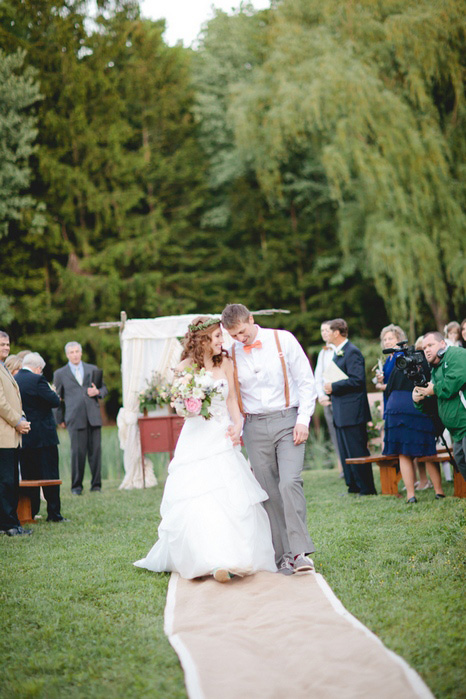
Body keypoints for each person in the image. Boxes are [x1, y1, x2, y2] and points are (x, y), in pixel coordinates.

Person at [134, 316, 276, 582]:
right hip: (197, 437)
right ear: (204, 340)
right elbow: (177, 406)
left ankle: (235, 557)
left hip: (222, 436)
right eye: (218, 337)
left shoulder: (227, 363)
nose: (223, 341)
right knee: (199, 496)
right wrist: (188, 405)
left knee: (230, 495)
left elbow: (232, 398)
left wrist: (238, 426)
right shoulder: (185, 367)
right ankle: (207, 558)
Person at [221, 303, 317, 576]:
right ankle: (283, 556)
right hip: (253, 427)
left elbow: (306, 381)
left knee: (289, 483)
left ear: (251, 320)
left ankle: (300, 552)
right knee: (269, 494)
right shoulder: (230, 353)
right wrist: (235, 430)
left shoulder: (283, 339)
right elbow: (229, 396)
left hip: (288, 422)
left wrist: (303, 420)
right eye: (234, 336)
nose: (240, 339)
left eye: (242, 332)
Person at [381, 332, 443, 503]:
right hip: (415, 404)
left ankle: (411, 495)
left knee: (404, 453)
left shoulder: (400, 362)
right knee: (428, 450)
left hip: (395, 407)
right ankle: (439, 491)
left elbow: (388, 389)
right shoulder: (426, 362)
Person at [323, 318, 377, 496]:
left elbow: (357, 380)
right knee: (346, 451)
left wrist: (334, 386)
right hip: (340, 410)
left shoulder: (352, 352)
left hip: (353, 411)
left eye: (329, 331)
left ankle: (367, 488)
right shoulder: (337, 352)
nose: (326, 335)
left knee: (357, 449)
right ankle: (353, 486)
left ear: (337, 333)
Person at [15, 352, 68, 522]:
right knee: (50, 474)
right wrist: (52, 391)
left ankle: (30, 512)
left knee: (29, 475)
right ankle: (54, 513)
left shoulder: (15, 379)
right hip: (43, 436)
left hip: (24, 436)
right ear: (38, 368)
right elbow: (54, 401)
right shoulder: (38, 380)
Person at [53, 341, 108, 494]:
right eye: (71, 352)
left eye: (77, 351)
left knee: (95, 452)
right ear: (67, 355)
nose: (75, 355)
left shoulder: (93, 369)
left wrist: (97, 392)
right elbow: (56, 398)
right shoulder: (60, 374)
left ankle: (96, 485)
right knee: (77, 453)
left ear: (81, 353)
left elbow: (104, 388)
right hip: (74, 417)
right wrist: (59, 419)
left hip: (93, 416)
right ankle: (76, 487)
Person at [413, 332, 466, 483]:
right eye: (424, 348)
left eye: (430, 345)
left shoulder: (457, 355)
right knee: (462, 464)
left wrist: (434, 389)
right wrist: (419, 400)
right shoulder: (435, 369)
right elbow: (434, 405)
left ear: (442, 343)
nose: (427, 350)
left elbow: (453, 383)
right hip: (456, 431)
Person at [0, 331, 32, 536]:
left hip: (12, 433)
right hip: (4, 435)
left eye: (7, 344)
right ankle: (9, 525)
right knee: (6, 482)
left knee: (10, 480)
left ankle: (9, 523)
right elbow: (1, 403)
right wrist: (17, 421)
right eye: (1, 344)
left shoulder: (4, 367)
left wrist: (22, 417)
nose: (5, 347)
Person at [314, 321, 343, 476]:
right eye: (322, 330)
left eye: (327, 330)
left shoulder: (341, 351)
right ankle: (341, 469)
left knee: (344, 433)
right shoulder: (322, 353)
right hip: (327, 399)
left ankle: (349, 467)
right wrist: (321, 396)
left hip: (341, 397)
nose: (324, 333)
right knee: (333, 433)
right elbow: (317, 377)